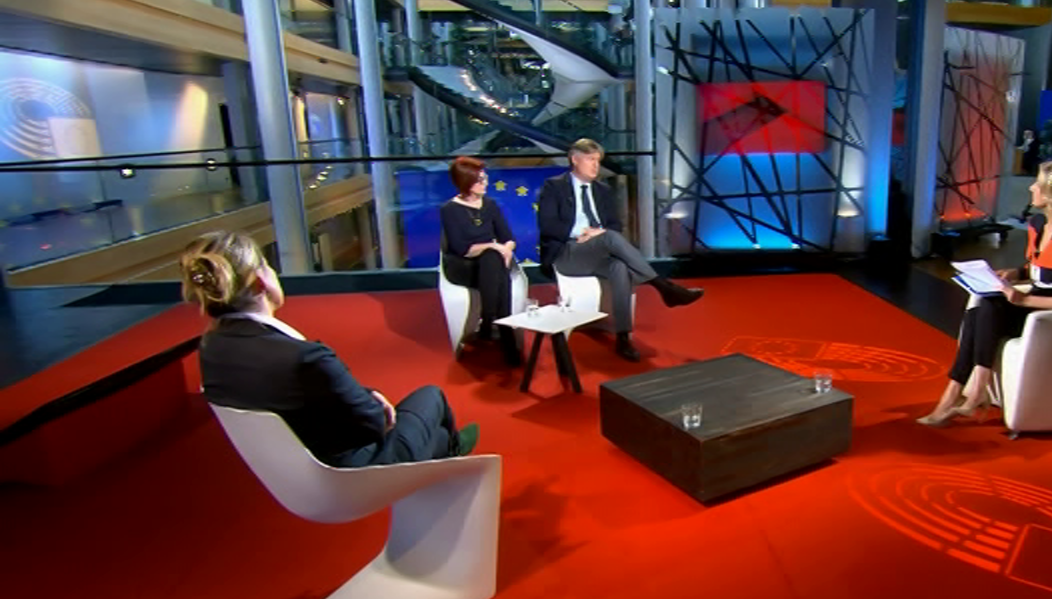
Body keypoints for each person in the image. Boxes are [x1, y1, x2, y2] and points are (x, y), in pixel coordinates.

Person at [185, 231, 479, 467]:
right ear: (261, 281)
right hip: (347, 468)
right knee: (432, 397)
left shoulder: (212, 346)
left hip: (288, 467)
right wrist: (372, 403)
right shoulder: (305, 356)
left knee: (434, 436)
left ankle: (445, 448)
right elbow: (374, 424)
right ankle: (452, 449)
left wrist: (365, 396)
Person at [917, 159, 1052, 427]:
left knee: (989, 307)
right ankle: (959, 392)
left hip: (1051, 315)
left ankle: (970, 393)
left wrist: (1024, 299)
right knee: (982, 307)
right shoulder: (1038, 224)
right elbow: (1039, 268)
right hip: (1030, 303)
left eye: (1038, 184)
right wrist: (1015, 273)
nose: (1032, 188)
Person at [537, 138, 704, 362]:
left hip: (598, 251)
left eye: (598, 160)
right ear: (575, 159)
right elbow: (548, 226)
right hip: (567, 253)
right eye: (590, 159)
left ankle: (623, 338)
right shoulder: (554, 186)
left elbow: (615, 225)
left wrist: (599, 233)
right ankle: (663, 287)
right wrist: (583, 233)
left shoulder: (603, 190)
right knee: (610, 237)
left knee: (619, 268)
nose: (595, 165)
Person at [440, 156, 522, 366]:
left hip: (490, 266)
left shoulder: (490, 205)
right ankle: (505, 336)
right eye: (480, 180)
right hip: (463, 267)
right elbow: (461, 249)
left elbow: (508, 238)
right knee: (492, 258)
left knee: (493, 260)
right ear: (465, 182)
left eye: (485, 178)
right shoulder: (449, 210)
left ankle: (488, 320)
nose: (486, 183)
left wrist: (506, 250)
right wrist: (494, 247)